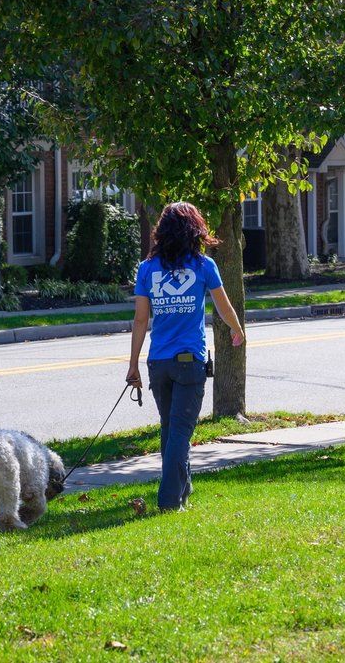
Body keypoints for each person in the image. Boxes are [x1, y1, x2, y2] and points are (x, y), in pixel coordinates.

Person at [126, 202, 246, 511]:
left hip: (159, 363)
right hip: (189, 362)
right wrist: (237, 330)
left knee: (170, 430)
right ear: (195, 229)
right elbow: (224, 306)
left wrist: (133, 365)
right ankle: (168, 502)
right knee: (179, 432)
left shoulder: (147, 269)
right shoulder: (204, 266)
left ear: (161, 232)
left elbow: (141, 320)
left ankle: (184, 491)